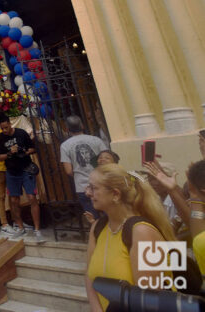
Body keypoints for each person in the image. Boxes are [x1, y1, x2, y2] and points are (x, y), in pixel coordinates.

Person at [85, 163, 176, 311]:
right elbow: (89, 278)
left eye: (94, 188)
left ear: (115, 194)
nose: (88, 193)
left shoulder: (142, 232)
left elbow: (147, 302)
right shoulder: (98, 227)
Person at [0, 111, 45, 242]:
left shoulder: (21, 133)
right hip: (11, 172)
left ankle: (37, 230)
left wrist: (23, 151)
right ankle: (20, 227)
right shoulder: (0, 138)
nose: (5, 130)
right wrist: (10, 153)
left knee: (32, 197)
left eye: (6, 127)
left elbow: (33, 149)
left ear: (10, 124)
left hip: (26, 169)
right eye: (2, 128)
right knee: (14, 201)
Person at [59, 115, 108, 219]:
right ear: (82, 126)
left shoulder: (65, 145)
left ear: (67, 129)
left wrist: (79, 175)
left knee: (94, 220)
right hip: (101, 183)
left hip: (83, 187)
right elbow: (107, 161)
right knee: (110, 216)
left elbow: (68, 171)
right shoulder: (96, 140)